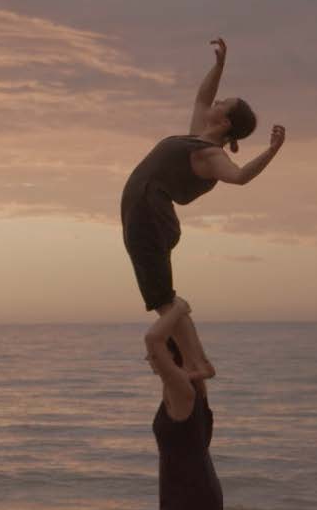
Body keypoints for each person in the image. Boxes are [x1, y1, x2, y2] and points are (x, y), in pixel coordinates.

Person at [121, 37, 285, 377]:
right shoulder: (198, 139)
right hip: (144, 215)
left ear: (224, 123)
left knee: (164, 300)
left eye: (224, 103)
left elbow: (238, 177)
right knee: (162, 300)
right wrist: (220, 67)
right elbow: (202, 97)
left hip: (149, 217)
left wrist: (271, 152)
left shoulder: (211, 155)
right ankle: (197, 360)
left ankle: (198, 362)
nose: (217, 101)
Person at [145, 297, 222, 510]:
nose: (148, 358)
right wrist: (176, 314)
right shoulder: (193, 382)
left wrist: (176, 308)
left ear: (169, 356)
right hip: (195, 491)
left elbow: (152, 339)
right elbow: (193, 355)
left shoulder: (182, 390)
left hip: (188, 500)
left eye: (155, 356)